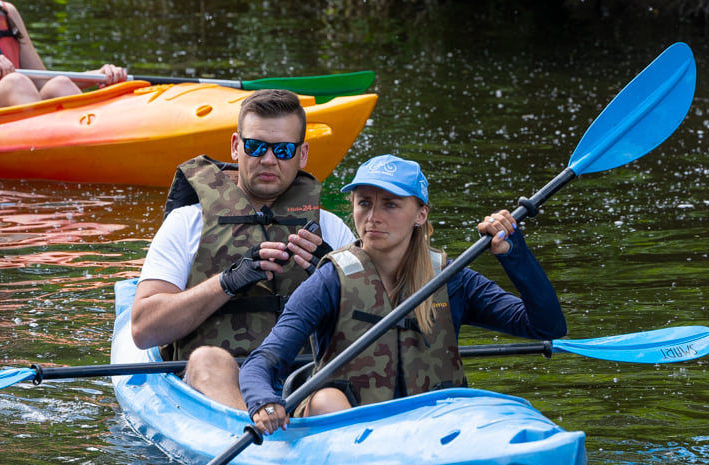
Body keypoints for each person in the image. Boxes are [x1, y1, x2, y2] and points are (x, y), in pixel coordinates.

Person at [239, 154, 568, 435]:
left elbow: (545, 327)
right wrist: (263, 402)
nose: (373, 217)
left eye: (391, 204)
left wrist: (514, 253)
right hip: (346, 436)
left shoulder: (453, 280)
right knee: (326, 400)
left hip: (432, 430)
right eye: (364, 203)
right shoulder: (330, 281)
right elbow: (263, 362)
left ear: (420, 214)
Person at [131, 88, 356, 410]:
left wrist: (334, 278)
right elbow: (143, 330)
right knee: (209, 359)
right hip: (217, 386)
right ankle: (253, 436)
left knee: (330, 401)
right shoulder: (187, 223)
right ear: (237, 147)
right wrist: (227, 282)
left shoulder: (330, 228)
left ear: (302, 154)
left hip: (302, 380)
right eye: (255, 146)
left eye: (283, 150)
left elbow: (373, 325)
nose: (268, 159)